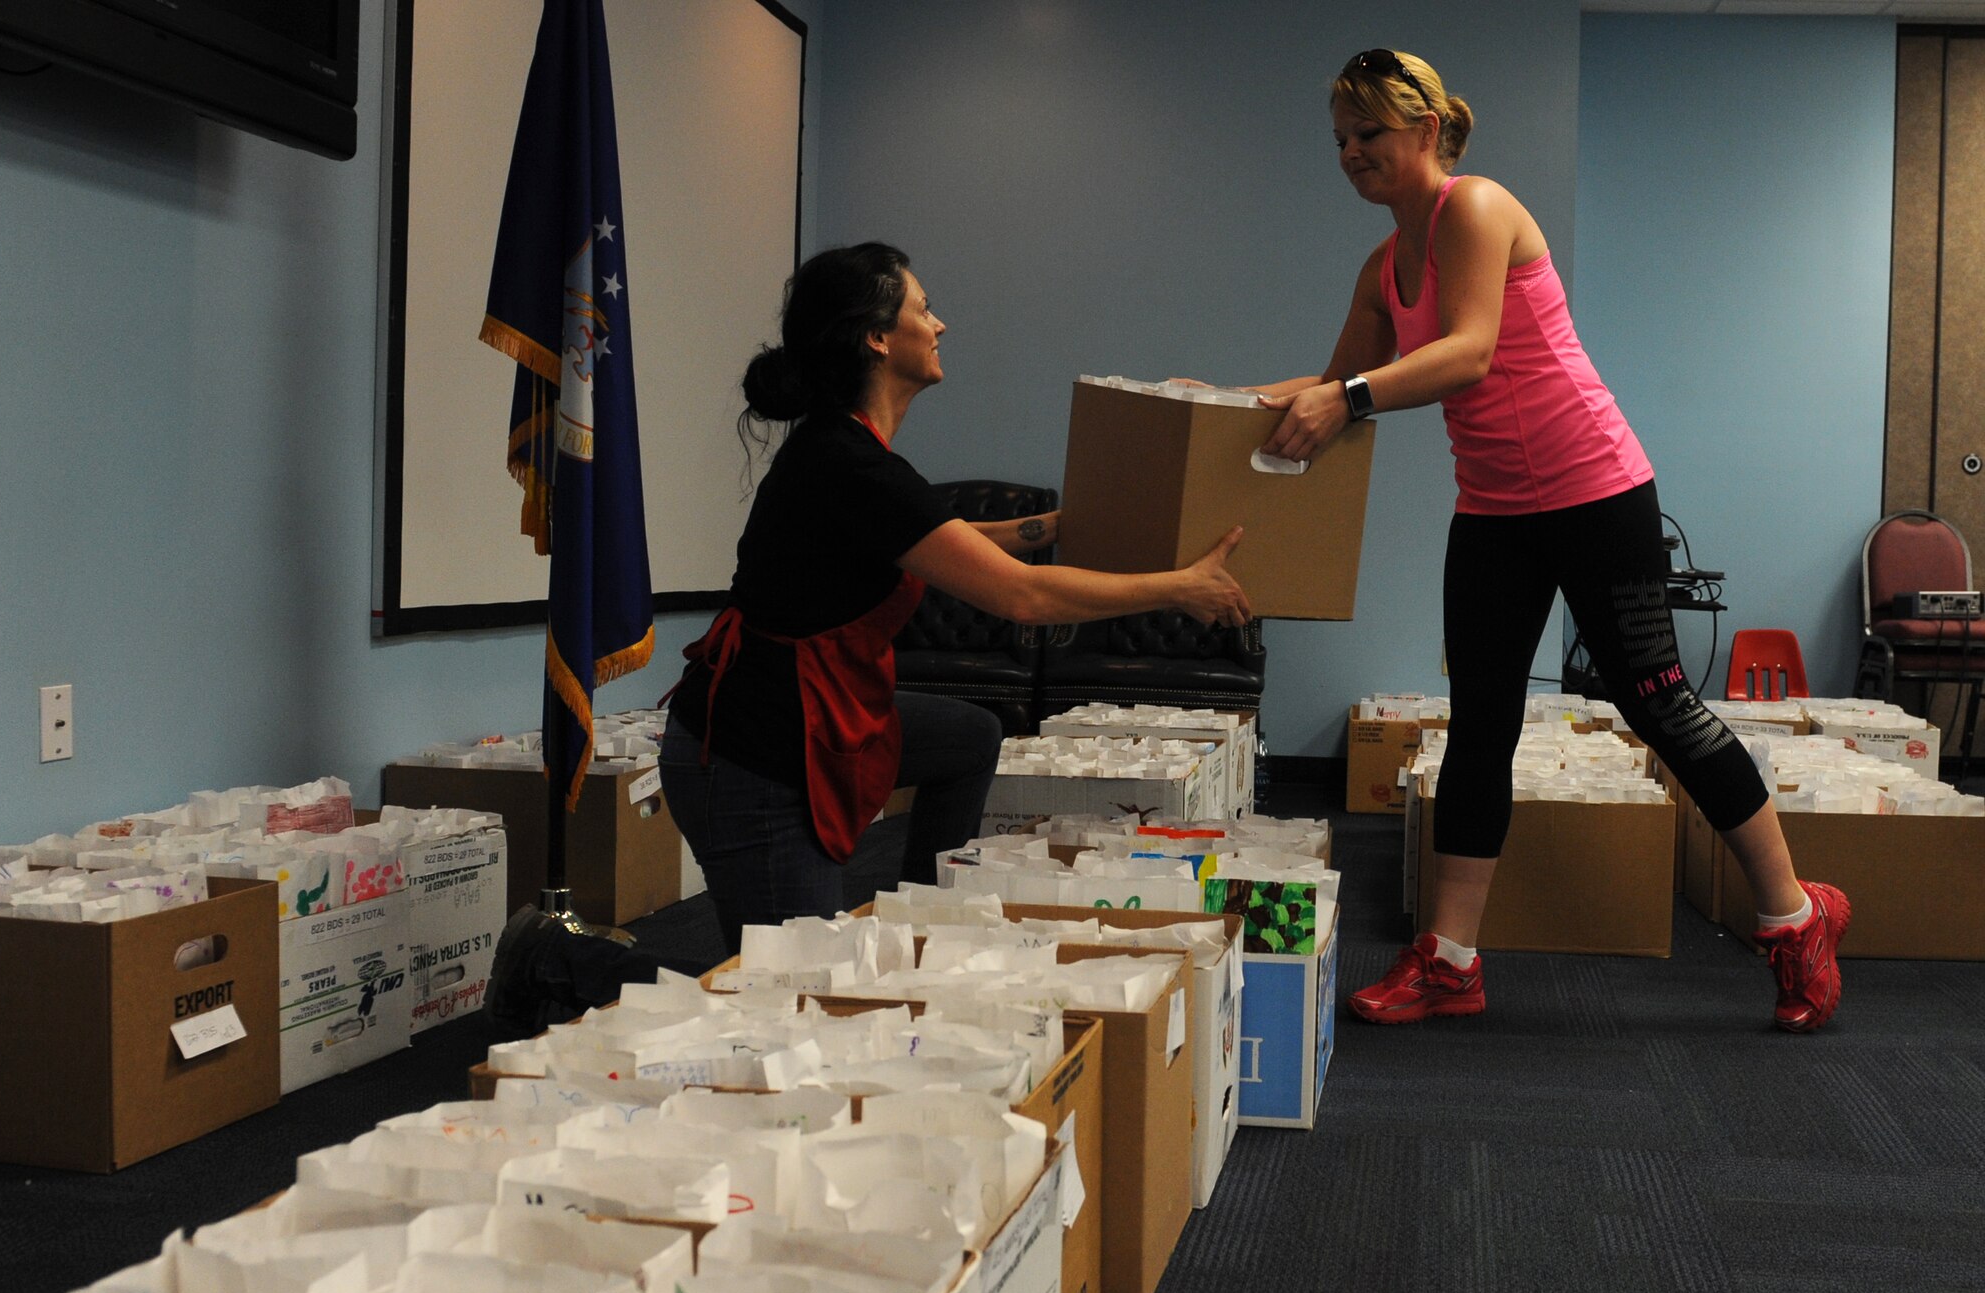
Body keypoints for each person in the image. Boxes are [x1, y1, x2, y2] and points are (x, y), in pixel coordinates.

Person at [1214, 49, 1847, 1032]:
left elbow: (1465, 351)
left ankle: (1795, 914)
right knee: (1479, 726)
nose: (1347, 154)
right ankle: (1448, 962)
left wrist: (1339, 400)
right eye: (1337, 140)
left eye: (1366, 134)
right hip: (1496, 513)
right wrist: (1207, 407)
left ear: (1423, 131)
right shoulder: (1380, 269)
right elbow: (1334, 387)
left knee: (1661, 708)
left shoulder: (1477, 209)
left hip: (1597, 493)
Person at [487, 241, 1250, 1030]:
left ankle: (919, 928)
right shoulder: (844, 462)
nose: (941, 322)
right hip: (751, 764)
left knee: (967, 734)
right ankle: (558, 956)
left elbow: (956, 538)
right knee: (797, 1004)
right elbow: (1020, 597)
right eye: (924, 308)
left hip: (807, 724)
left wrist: (1064, 523)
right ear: (878, 337)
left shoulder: (856, 456)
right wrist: (1177, 589)